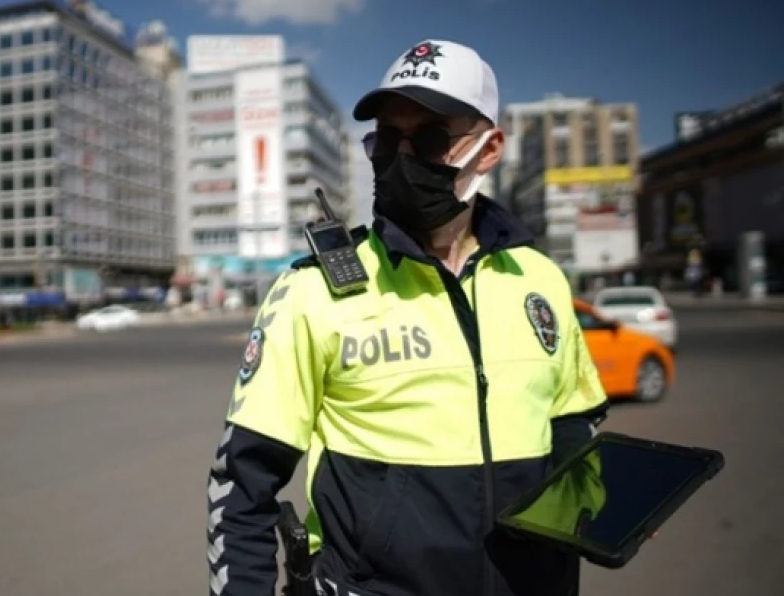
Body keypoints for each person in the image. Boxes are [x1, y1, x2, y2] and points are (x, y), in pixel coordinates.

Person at [205, 39, 609, 596]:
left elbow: (572, 430)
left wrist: (601, 509)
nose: (400, 158)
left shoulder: (539, 279)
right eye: (387, 140)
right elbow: (241, 490)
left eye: (428, 139)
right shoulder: (310, 291)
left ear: (489, 150)